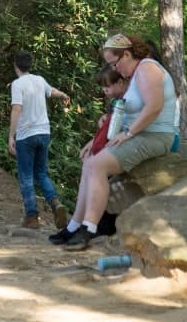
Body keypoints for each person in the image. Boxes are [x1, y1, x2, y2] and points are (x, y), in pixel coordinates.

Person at [61, 33, 178, 250]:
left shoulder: (147, 69)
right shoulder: (135, 74)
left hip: (155, 135)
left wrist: (129, 133)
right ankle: (73, 225)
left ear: (126, 54)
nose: (114, 69)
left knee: (98, 165)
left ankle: (89, 228)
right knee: (90, 161)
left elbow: (154, 107)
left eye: (114, 63)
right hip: (138, 133)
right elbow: (127, 111)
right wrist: (96, 138)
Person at [48, 65, 128, 244]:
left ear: (120, 82)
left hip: (122, 145)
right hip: (112, 144)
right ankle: (75, 224)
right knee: (88, 162)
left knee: (93, 164)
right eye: (103, 87)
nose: (104, 90)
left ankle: (87, 225)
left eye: (107, 86)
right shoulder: (117, 102)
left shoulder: (126, 100)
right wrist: (93, 142)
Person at [7, 50, 71, 229]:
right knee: (41, 173)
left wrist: (11, 135)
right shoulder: (39, 80)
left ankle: (32, 216)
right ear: (30, 64)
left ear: (16, 65)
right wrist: (64, 95)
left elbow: (17, 109)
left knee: (26, 176)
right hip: (44, 132)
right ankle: (55, 203)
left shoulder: (17, 84)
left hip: (26, 136)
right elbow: (52, 92)